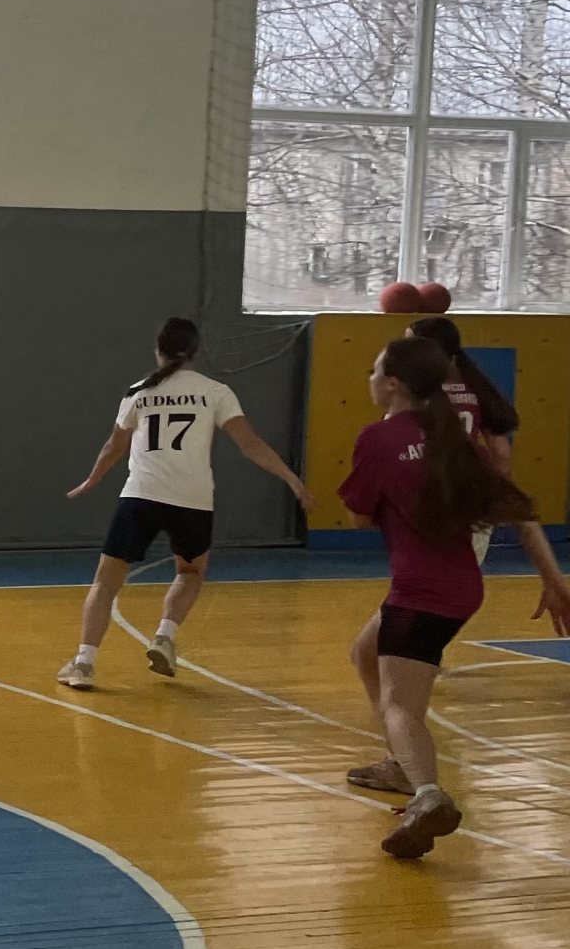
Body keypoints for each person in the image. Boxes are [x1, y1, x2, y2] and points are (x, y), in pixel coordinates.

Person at [339, 335, 570, 858]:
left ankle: (425, 792)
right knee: (365, 652)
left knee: (400, 706)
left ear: (393, 383)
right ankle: (402, 765)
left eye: (375, 371)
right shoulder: (455, 440)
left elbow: (358, 517)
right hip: (463, 588)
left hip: (420, 593)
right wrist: (555, 581)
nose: (369, 379)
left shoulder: (379, 438)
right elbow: (522, 513)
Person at [60, 317, 311, 690]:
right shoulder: (215, 391)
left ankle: (84, 663)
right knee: (190, 572)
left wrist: (93, 479)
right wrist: (291, 479)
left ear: (157, 350)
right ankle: (164, 636)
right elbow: (250, 444)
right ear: (197, 351)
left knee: (106, 582)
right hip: (193, 500)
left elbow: (114, 446)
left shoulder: (139, 392)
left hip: (142, 495)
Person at [409, 316, 520, 565]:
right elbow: (501, 453)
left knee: (427, 577)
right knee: (464, 575)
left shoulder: (416, 393)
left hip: (432, 493)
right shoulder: (476, 388)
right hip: (473, 494)